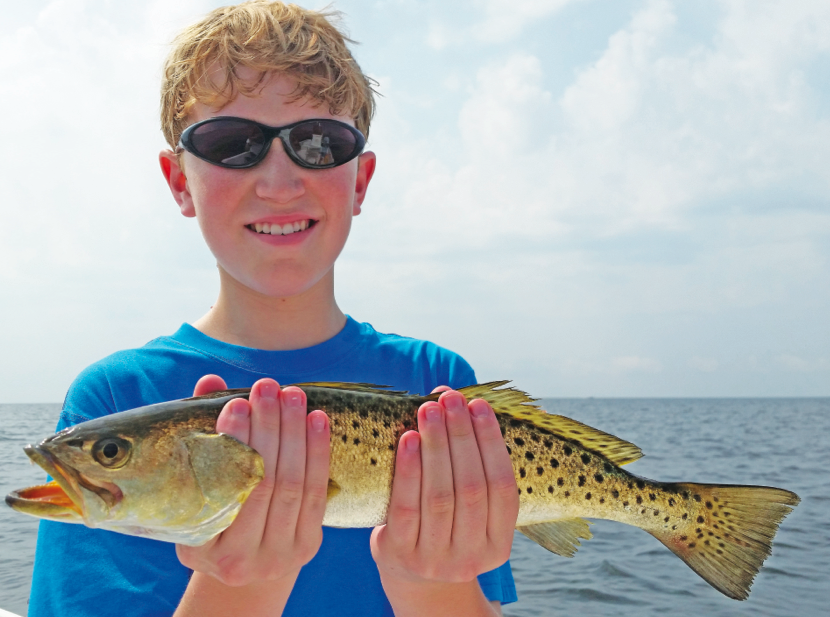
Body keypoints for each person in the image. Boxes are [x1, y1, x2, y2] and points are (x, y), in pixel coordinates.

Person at [27, 2, 519, 616]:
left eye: (318, 143)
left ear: (360, 181)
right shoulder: (118, 396)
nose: (279, 183)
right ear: (180, 181)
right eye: (233, 145)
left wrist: (432, 583)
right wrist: (239, 589)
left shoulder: (439, 386)